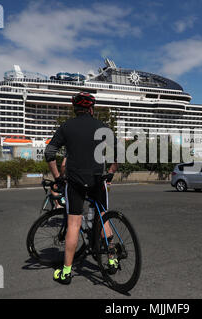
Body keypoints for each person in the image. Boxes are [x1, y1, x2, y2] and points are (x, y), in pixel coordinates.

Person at [45, 92, 118, 285]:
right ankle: (112, 259)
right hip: (97, 180)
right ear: (91, 108)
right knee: (104, 217)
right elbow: (117, 154)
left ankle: (66, 272)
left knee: (74, 224)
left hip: (75, 181)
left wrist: (58, 177)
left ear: (75, 109)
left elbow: (49, 152)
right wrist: (110, 172)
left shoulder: (66, 127)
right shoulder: (103, 127)